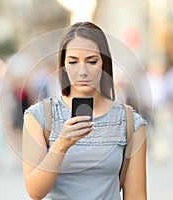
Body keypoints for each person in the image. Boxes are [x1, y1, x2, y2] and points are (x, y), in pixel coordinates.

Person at [22, 22, 147, 200]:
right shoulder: (39, 117)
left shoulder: (130, 123)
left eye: (92, 61)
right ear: (63, 64)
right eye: (73, 61)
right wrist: (61, 144)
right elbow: (34, 191)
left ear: (104, 63)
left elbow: (136, 196)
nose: (82, 71)